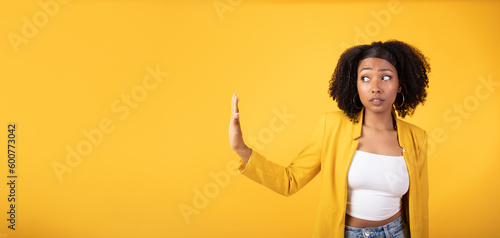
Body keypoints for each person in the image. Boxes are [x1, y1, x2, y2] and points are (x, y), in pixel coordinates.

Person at [228, 40, 430, 238]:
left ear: (400, 85)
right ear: (355, 85)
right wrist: (241, 148)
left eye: (385, 77)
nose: (375, 87)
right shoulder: (331, 126)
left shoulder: (416, 137)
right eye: (365, 78)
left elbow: (419, 209)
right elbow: (289, 182)